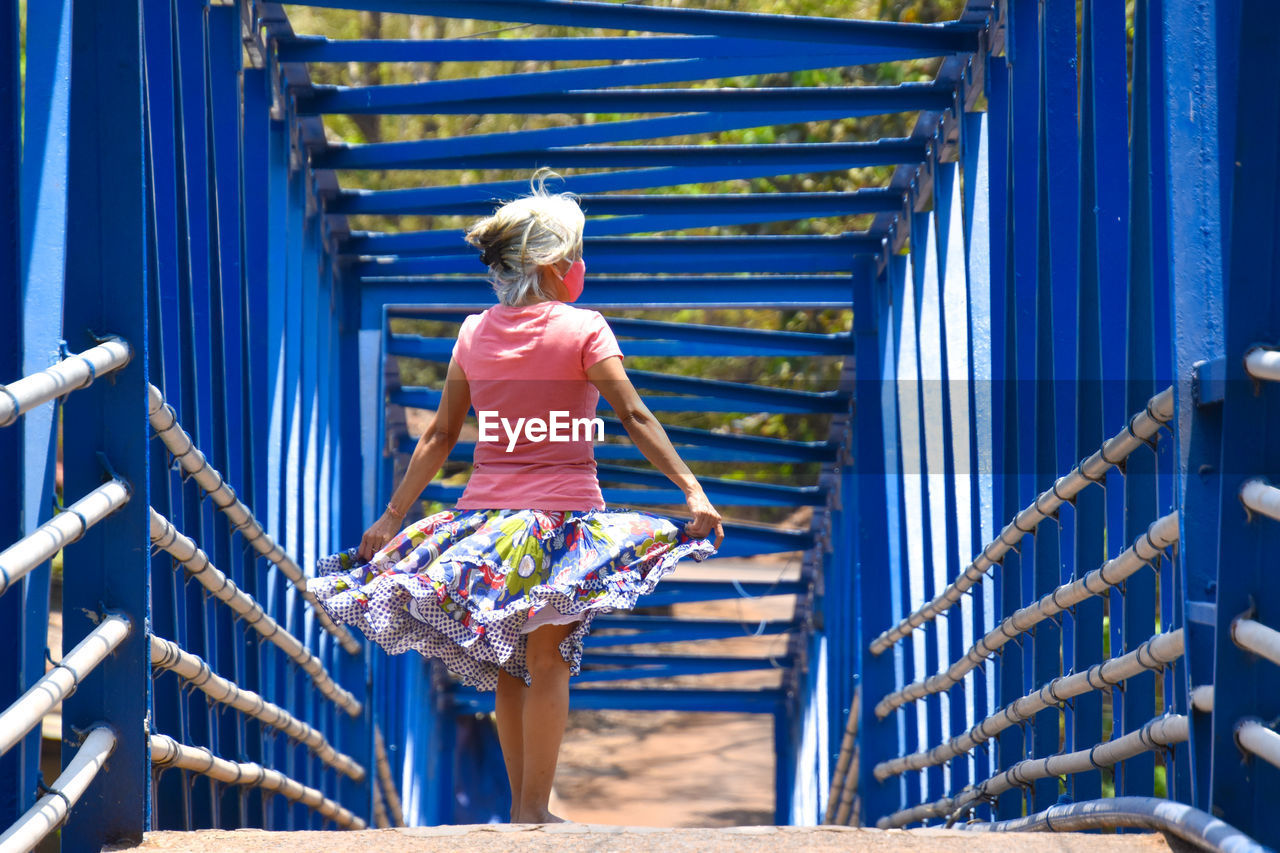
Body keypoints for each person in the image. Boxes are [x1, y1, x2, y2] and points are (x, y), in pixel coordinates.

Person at [308, 173, 725, 825]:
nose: (582, 266)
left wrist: (392, 517)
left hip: (488, 524)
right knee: (550, 655)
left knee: (510, 660)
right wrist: (693, 488)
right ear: (558, 263)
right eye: (578, 254)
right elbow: (634, 416)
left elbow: (442, 434)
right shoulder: (586, 329)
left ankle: (522, 805)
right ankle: (535, 809)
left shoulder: (473, 333)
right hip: (562, 521)